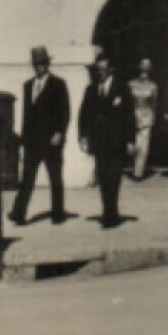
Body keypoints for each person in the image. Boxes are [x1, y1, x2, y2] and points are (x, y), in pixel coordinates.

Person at [9, 45, 70, 226]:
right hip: (32, 141)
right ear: (33, 65)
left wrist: (59, 132)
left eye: (43, 63)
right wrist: (23, 139)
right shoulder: (28, 85)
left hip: (52, 140)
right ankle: (18, 213)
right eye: (36, 64)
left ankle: (57, 213)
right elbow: (27, 115)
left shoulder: (58, 84)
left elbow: (65, 111)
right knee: (27, 179)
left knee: (55, 178)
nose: (40, 67)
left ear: (48, 63)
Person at [78, 56, 134, 228]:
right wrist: (83, 136)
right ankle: (107, 211)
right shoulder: (91, 89)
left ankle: (112, 213)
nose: (100, 73)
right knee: (103, 177)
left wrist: (130, 140)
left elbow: (129, 116)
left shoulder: (122, 89)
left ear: (110, 70)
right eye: (98, 70)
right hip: (99, 141)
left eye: (103, 69)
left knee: (114, 177)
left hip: (117, 141)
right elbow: (84, 114)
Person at [127, 58, 159, 181]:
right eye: (143, 65)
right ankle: (133, 166)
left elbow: (154, 104)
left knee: (143, 146)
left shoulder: (153, 86)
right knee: (132, 144)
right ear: (139, 67)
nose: (145, 69)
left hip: (146, 116)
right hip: (132, 115)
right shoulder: (131, 84)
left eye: (147, 66)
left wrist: (153, 117)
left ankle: (138, 172)